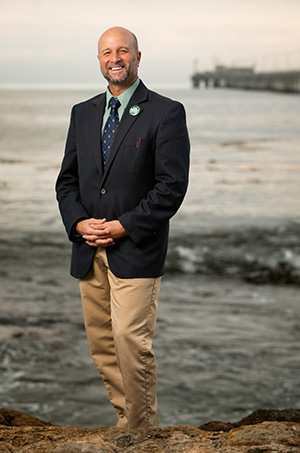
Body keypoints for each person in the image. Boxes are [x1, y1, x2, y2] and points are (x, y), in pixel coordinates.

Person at [56, 26, 190, 429]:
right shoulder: (83, 112)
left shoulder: (166, 112)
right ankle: (125, 421)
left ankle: (142, 429)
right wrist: (79, 222)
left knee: (131, 342)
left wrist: (121, 227)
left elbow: (171, 188)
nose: (115, 58)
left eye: (123, 51)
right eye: (106, 52)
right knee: (102, 345)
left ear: (137, 56)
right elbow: (68, 181)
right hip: (87, 247)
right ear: (99, 59)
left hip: (135, 248)